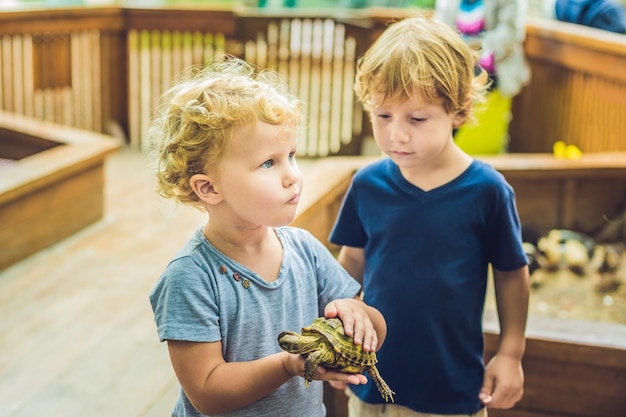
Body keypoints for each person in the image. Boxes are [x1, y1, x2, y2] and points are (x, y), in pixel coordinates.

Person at [147, 56, 387, 417]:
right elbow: (208, 392)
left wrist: (361, 316)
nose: (292, 175)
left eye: (291, 155)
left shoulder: (304, 249)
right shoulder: (191, 277)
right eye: (268, 163)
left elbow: (376, 332)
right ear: (209, 187)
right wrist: (287, 365)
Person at [328, 16, 530, 417]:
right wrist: (337, 330)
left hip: (450, 391)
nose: (396, 135)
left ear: (458, 111)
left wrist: (510, 353)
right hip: (371, 384)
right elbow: (352, 262)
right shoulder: (367, 184)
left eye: (416, 119)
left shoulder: (487, 191)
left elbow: (511, 273)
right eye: (383, 115)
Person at [434, 0, 531, 154]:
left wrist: (471, 50)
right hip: (454, 70)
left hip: (495, 70)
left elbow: (509, 34)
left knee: (480, 139)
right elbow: (439, 28)